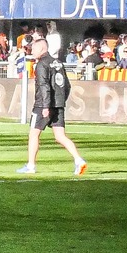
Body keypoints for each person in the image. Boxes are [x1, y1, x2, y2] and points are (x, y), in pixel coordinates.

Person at [20, 34, 88, 176]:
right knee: (60, 136)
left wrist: (45, 106)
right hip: (58, 104)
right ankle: (78, 160)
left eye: (33, 49)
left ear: (42, 49)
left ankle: (31, 166)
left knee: (33, 134)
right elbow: (67, 85)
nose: (31, 51)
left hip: (43, 104)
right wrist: (60, 101)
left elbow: (44, 86)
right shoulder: (58, 62)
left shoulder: (41, 64)